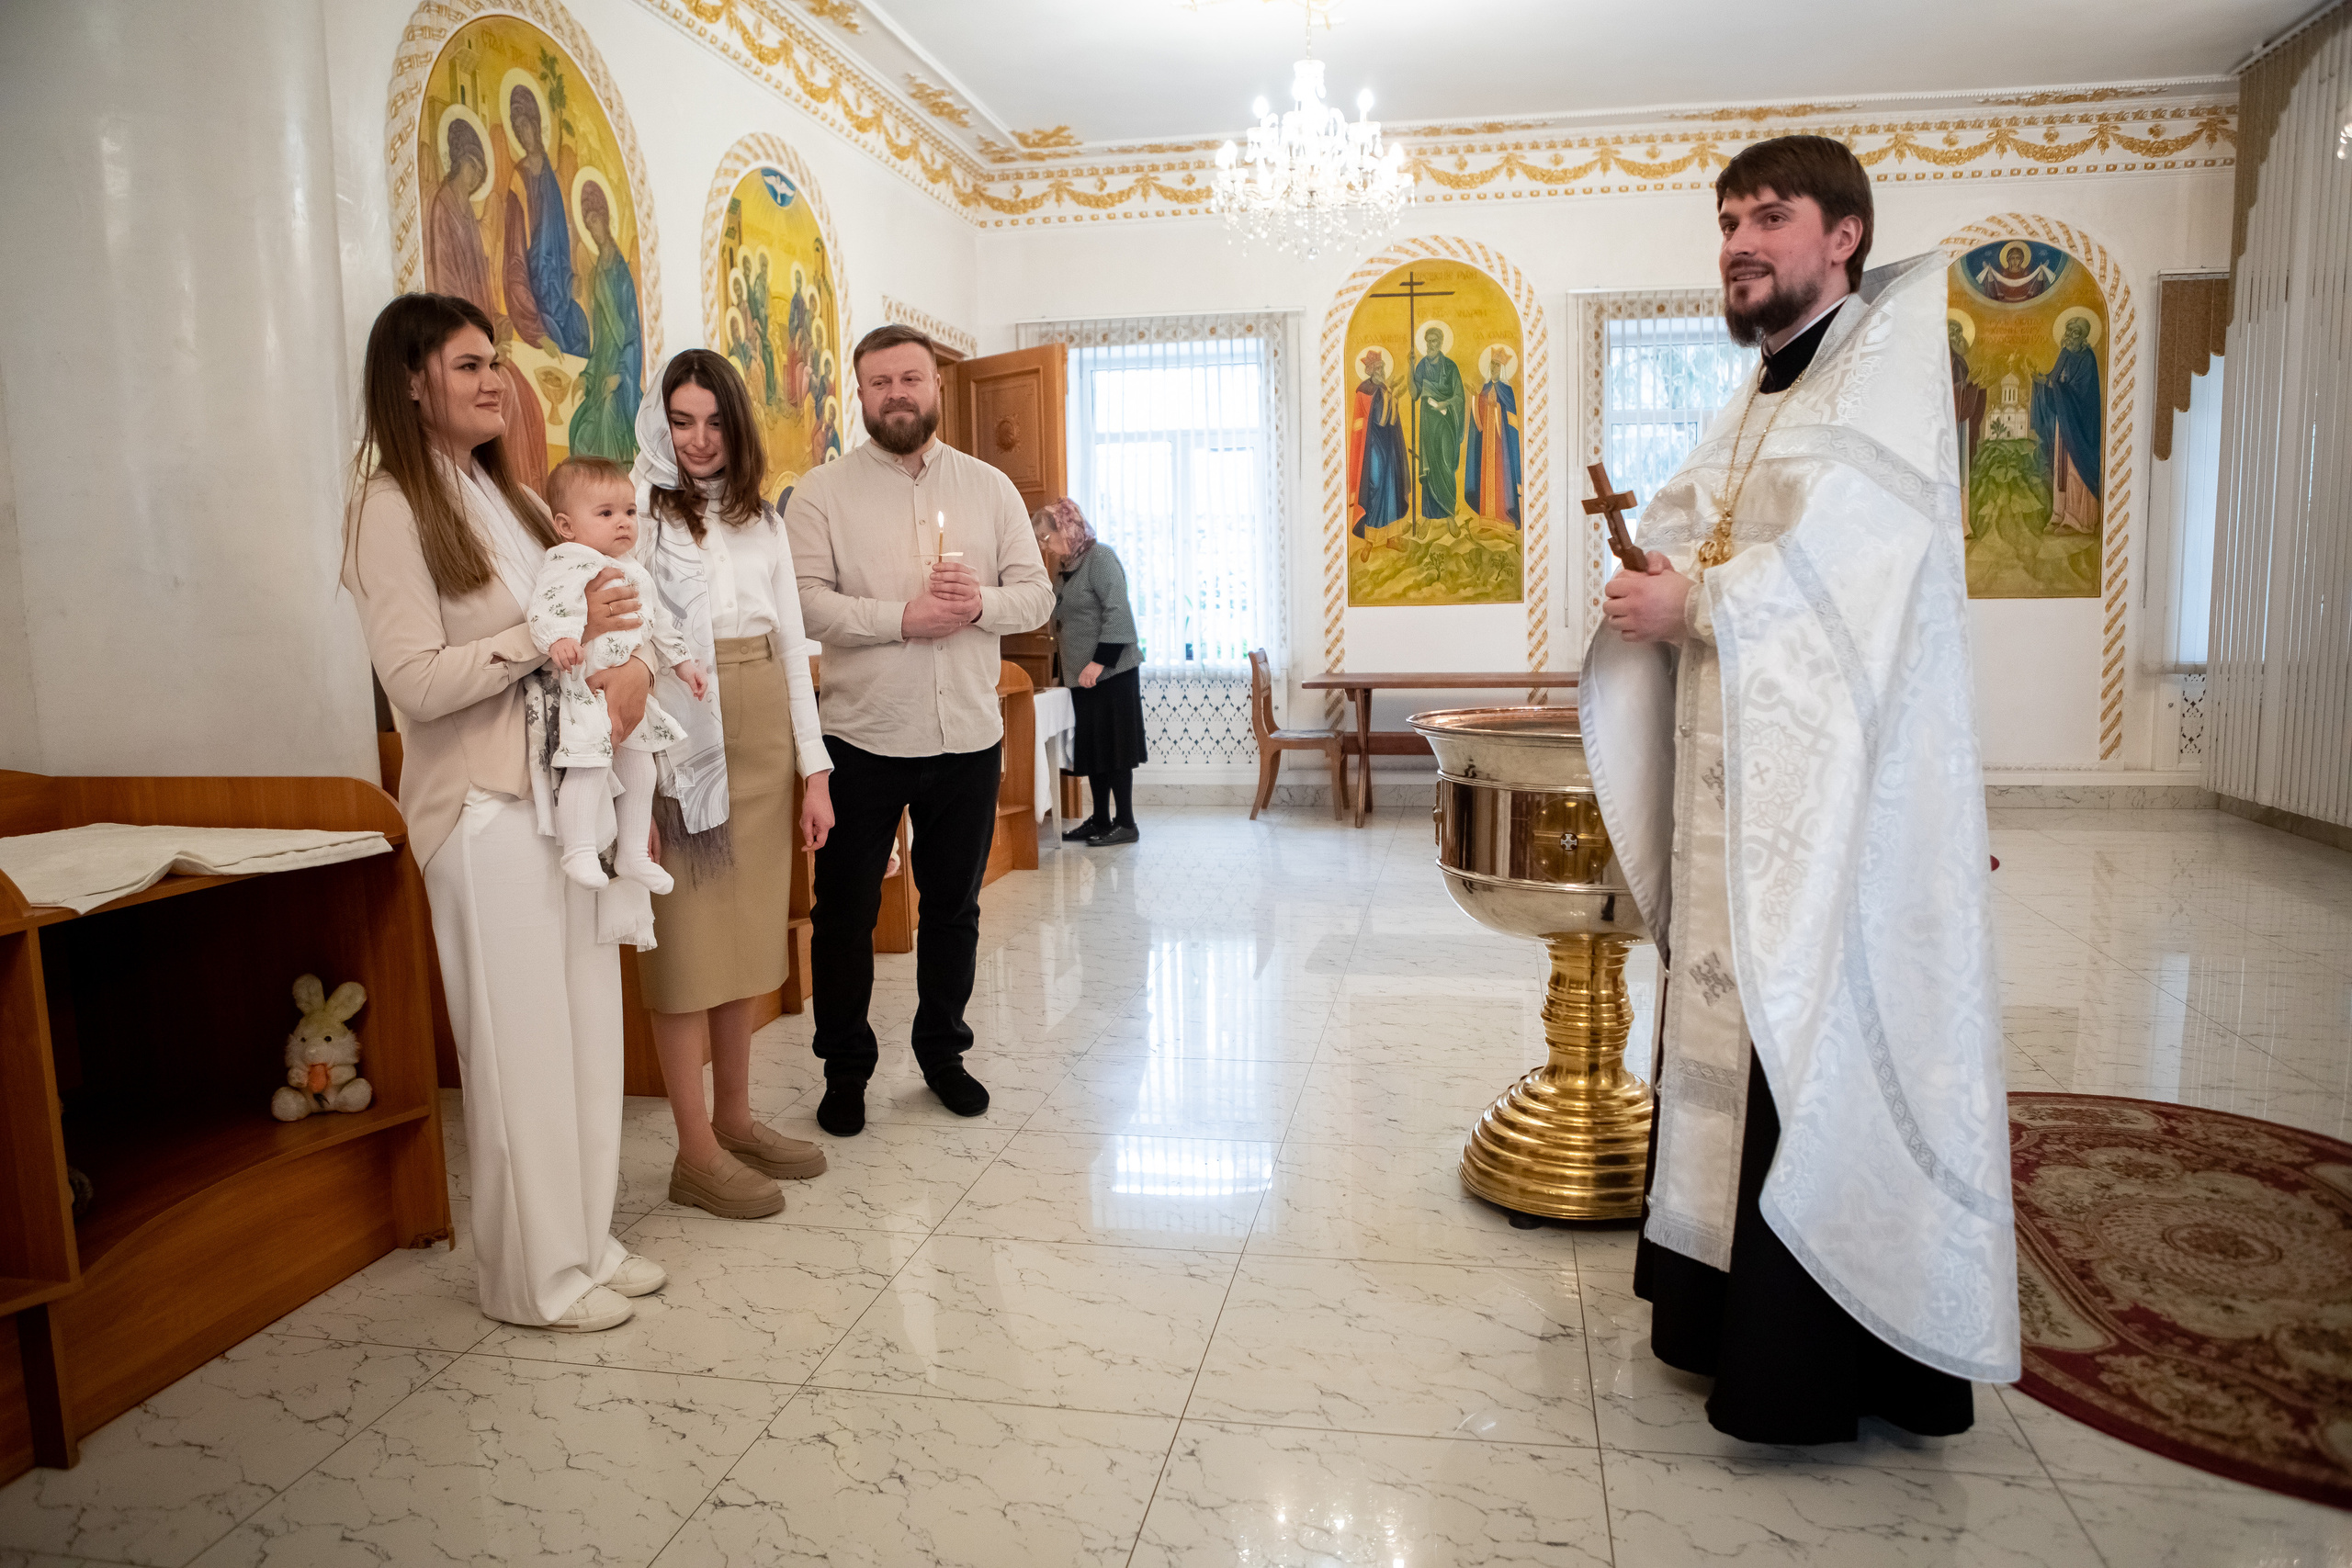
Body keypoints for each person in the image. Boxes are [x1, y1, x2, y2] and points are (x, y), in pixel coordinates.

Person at [1580, 135, 2017, 1445]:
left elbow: (1853, 581)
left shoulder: (1875, 388)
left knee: (1808, 1033)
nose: (1738, 242)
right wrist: (1657, 567)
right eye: (1726, 220)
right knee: (1733, 1028)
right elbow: (1703, 516)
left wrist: (1700, 596)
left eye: (1769, 216)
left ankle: (1815, 1366)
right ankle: (1715, 1317)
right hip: (1742, 790)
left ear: (1844, 238)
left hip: (1834, 818)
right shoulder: (1765, 392)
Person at [342, 292, 662, 1333]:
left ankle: (587, 1241)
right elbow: (418, 682)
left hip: (558, 793)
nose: (495, 381)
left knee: (581, 1034)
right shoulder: (389, 507)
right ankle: (534, 1279)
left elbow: (595, 616)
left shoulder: (519, 502)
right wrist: (542, 638)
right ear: (409, 380)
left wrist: (630, 670)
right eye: (470, 363)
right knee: (518, 1045)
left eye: (497, 363)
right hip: (478, 804)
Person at [786, 323, 1055, 1137]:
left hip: (968, 738)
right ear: (858, 392)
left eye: (910, 378)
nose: (897, 393)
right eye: (880, 383)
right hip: (862, 738)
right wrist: (902, 617)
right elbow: (804, 602)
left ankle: (943, 1051)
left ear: (935, 385)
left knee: (953, 909)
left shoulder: (990, 488)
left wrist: (977, 605)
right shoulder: (820, 493)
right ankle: (845, 1068)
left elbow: (1036, 596)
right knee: (843, 915)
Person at [630, 349, 836, 1220]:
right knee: (686, 947)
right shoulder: (637, 515)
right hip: (677, 727)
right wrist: (632, 795)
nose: (699, 440)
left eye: (714, 421)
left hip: (758, 727)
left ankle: (738, 1119)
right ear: (658, 424)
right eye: (682, 420)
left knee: (749, 936)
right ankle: (695, 1152)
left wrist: (814, 769)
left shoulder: (763, 518)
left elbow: (793, 645)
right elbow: (626, 648)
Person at [528, 456, 703, 891]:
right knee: (588, 764)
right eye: (606, 514)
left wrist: (682, 662)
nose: (623, 523)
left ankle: (633, 854)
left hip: (630, 693)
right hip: (585, 687)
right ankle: (579, 849)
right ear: (567, 526)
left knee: (642, 771)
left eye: (628, 511)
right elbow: (545, 608)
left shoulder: (634, 570)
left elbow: (659, 621)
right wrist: (559, 638)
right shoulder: (567, 562)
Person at [1035, 498, 1146, 846]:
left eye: (1047, 537)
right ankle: (1100, 819)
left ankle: (1125, 823)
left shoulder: (1100, 558)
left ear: (1067, 530)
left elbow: (1117, 611)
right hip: (1081, 676)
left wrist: (1098, 664)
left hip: (1110, 672)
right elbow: (1063, 623)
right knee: (1095, 748)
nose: (1045, 545)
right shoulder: (1067, 567)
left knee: (1115, 748)